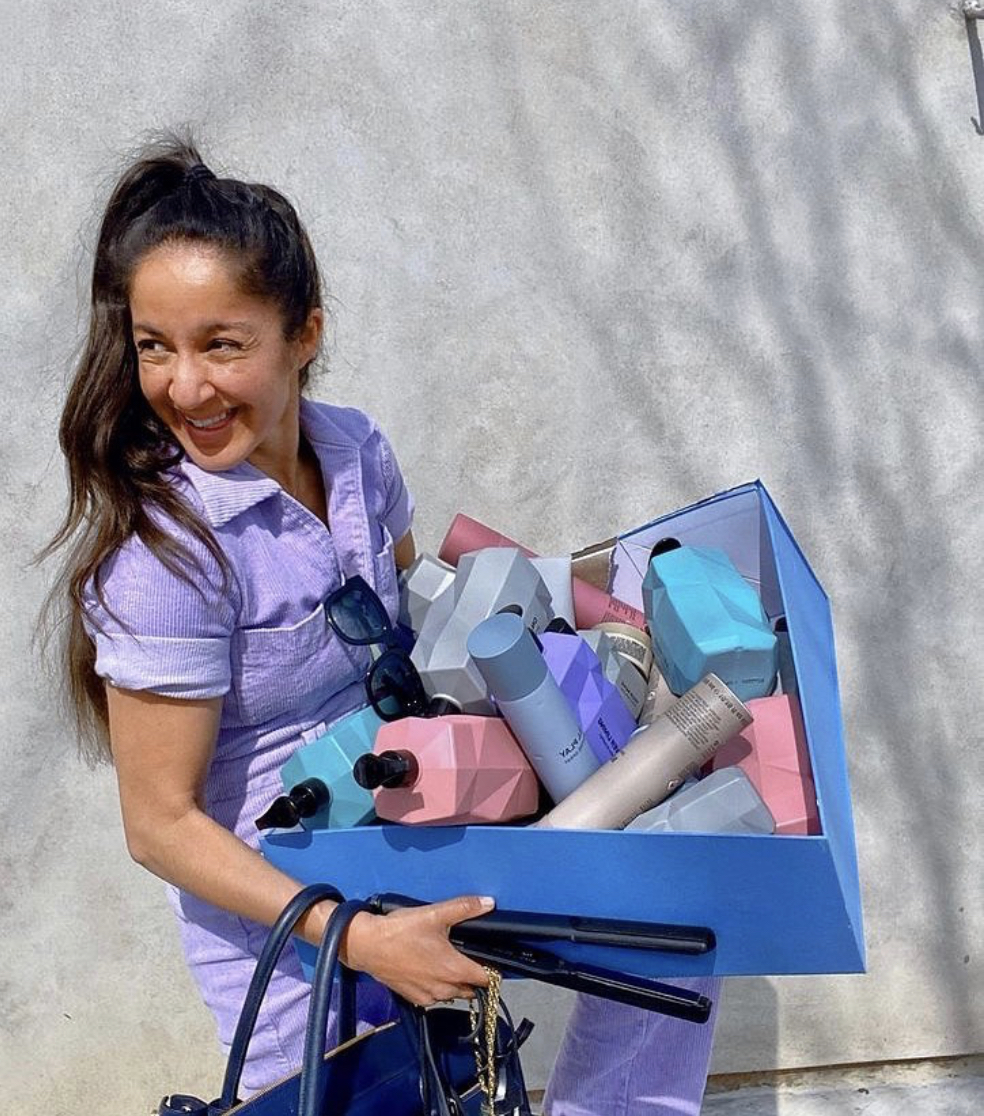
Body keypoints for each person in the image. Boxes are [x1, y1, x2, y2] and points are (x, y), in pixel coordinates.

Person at [43, 134, 720, 1111]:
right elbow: (159, 827)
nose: (184, 386)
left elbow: (419, 627)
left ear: (303, 333)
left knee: (673, 929)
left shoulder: (355, 453)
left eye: (221, 344)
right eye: (156, 346)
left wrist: (576, 625)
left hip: (422, 822)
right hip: (293, 924)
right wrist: (361, 939)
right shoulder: (167, 561)